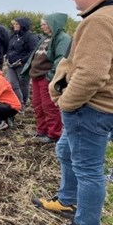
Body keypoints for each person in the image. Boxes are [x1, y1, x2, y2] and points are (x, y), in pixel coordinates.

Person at [34, 0, 113, 225]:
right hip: (92, 107)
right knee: (65, 150)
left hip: (90, 108)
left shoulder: (99, 20)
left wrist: (66, 103)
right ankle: (67, 199)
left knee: (88, 169)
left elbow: (91, 74)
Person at [21, 13, 71, 143]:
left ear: (53, 24)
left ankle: (54, 134)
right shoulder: (44, 39)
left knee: (49, 106)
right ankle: (41, 130)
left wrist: (50, 76)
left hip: (47, 78)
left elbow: (61, 59)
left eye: (44, 24)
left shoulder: (63, 38)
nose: (42, 26)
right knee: (37, 105)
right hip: (37, 77)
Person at [6, 17, 39, 111]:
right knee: (12, 84)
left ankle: (23, 104)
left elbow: (33, 51)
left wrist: (22, 60)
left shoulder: (31, 37)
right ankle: (18, 103)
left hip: (23, 65)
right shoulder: (13, 36)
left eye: (17, 24)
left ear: (23, 25)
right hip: (11, 65)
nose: (15, 26)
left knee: (23, 85)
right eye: (14, 24)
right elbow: (9, 48)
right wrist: (8, 57)